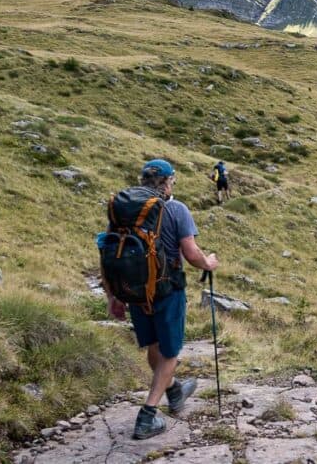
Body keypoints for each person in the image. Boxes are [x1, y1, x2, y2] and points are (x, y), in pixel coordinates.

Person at [104, 159, 219, 440]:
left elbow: (107, 253)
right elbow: (191, 255)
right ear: (168, 182)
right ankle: (147, 416)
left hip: (135, 292)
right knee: (170, 354)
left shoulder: (124, 212)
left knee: (154, 347)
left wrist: (112, 296)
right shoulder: (176, 209)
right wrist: (210, 263)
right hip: (168, 291)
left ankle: (175, 389)